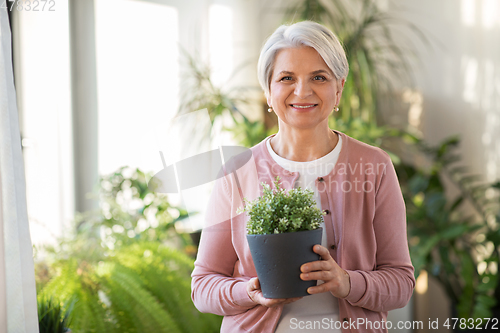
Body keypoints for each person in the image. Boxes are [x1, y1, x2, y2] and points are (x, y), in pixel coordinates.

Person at [191, 20, 415, 333]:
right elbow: (203, 287)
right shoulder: (237, 172)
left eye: (319, 77)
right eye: (286, 78)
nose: (302, 91)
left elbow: (401, 283)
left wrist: (347, 282)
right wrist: (249, 291)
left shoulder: (373, 166)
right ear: (268, 91)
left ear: (338, 88)